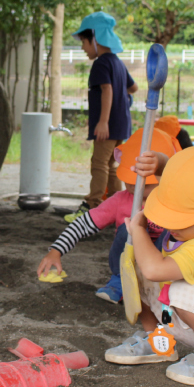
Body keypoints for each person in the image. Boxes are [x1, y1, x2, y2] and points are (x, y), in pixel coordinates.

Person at [104, 146, 194, 386]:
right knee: (136, 266)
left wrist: (139, 229)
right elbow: (182, 184)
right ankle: (158, 339)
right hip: (183, 315)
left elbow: (156, 270)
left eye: (181, 219)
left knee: (176, 287)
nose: (171, 225)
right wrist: (162, 164)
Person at [37, 128, 179, 303]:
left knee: (173, 233)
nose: (135, 185)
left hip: (163, 268)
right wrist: (56, 251)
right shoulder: (120, 200)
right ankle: (119, 281)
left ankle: (164, 286)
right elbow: (82, 224)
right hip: (128, 264)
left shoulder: (175, 200)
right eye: (130, 179)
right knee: (127, 230)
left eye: (143, 181)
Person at [64, 12, 138, 223]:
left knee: (99, 164)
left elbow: (106, 89)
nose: (82, 48)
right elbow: (133, 87)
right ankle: (116, 206)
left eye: (84, 42)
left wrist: (103, 120)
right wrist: (122, 100)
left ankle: (93, 205)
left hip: (108, 125)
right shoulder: (118, 63)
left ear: (95, 39)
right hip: (121, 124)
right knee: (111, 165)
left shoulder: (101, 64)